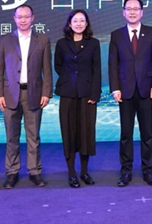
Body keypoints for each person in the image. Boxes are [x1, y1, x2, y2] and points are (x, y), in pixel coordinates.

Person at [0, 4, 53, 189]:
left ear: (32, 18)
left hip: (33, 93)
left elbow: (47, 69)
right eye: (20, 17)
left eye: (26, 17)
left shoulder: (42, 40)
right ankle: (12, 172)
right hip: (9, 94)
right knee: (11, 136)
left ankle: (35, 171)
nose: (23, 20)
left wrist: (46, 92)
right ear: (14, 18)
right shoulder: (5, 40)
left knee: (33, 136)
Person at [109, 0, 152, 187]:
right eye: (129, 9)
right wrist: (115, 88)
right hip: (125, 90)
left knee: (147, 133)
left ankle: (148, 170)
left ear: (142, 12)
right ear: (123, 12)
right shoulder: (116, 35)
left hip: (146, 89)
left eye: (136, 9)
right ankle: (126, 171)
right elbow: (113, 64)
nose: (132, 12)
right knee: (126, 133)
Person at [54, 9, 101, 188]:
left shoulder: (94, 43)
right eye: (75, 21)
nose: (79, 24)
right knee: (69, 132)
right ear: (69, 24)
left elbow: (97, 70)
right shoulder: (61, 43)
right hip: (67, 94)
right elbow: (58, 66)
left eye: (82, 20)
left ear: (86, 23)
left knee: (85, 133)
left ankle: (84, 171)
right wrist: (69, 80)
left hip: (87, 95)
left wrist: (94, 94)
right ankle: (71, 173)